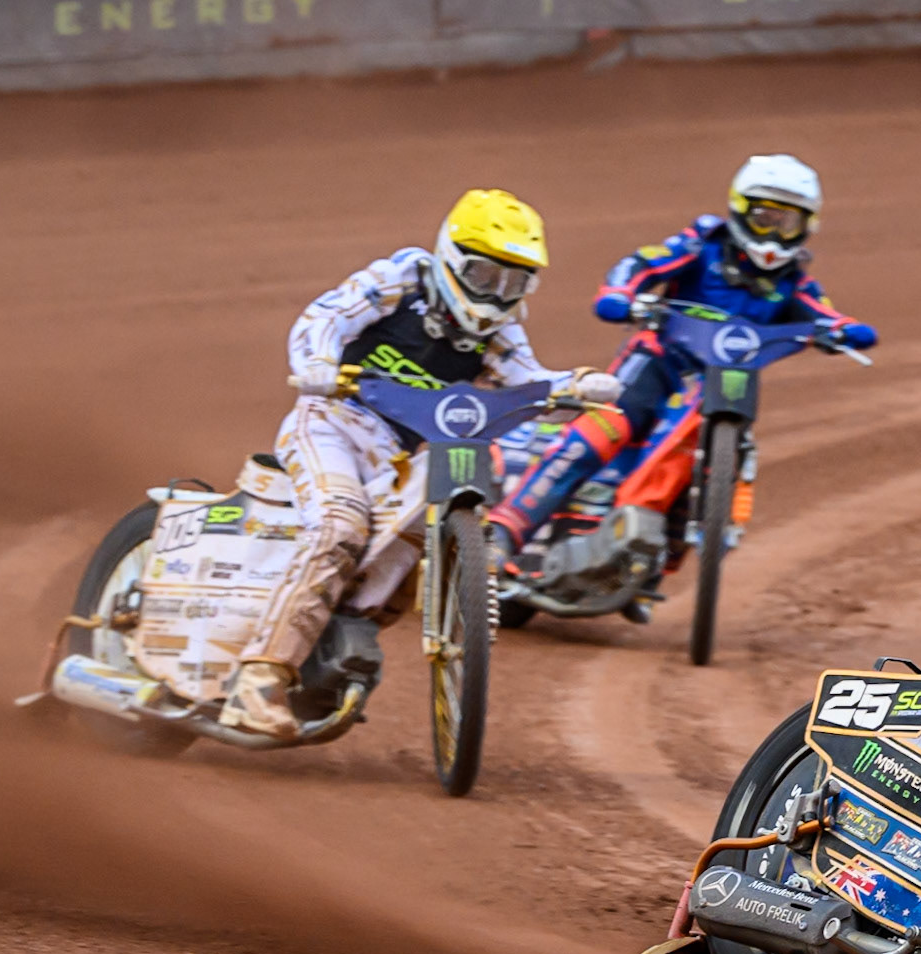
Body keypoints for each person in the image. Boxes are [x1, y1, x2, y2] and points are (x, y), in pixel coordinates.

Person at [219, 189, 620, 738]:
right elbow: (328, 316)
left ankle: (329, 648)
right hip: (330, 425)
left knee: (410, 551)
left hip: (399, 455)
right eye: (485, 275)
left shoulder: (500, 331)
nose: (496, 294)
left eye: (513, 283)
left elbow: (527, 379)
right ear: (452, 258)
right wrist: (317, 362)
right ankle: (258, 679)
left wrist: (574, 385)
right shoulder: (402, 279)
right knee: (340, 525)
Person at [488, 154, 877, 620]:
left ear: (806, 227)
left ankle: (645, 572)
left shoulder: (794, 284)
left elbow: (825, 314)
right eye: (764, 218)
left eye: (787, 223)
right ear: (740, 210)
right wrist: (621, 295)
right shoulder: (702, 245)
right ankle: (504, 531)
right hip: (657, 364)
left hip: (719, 388)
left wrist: (844, 331)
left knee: (699, 470)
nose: (773, 234)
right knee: (599, 433)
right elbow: (641, 264)